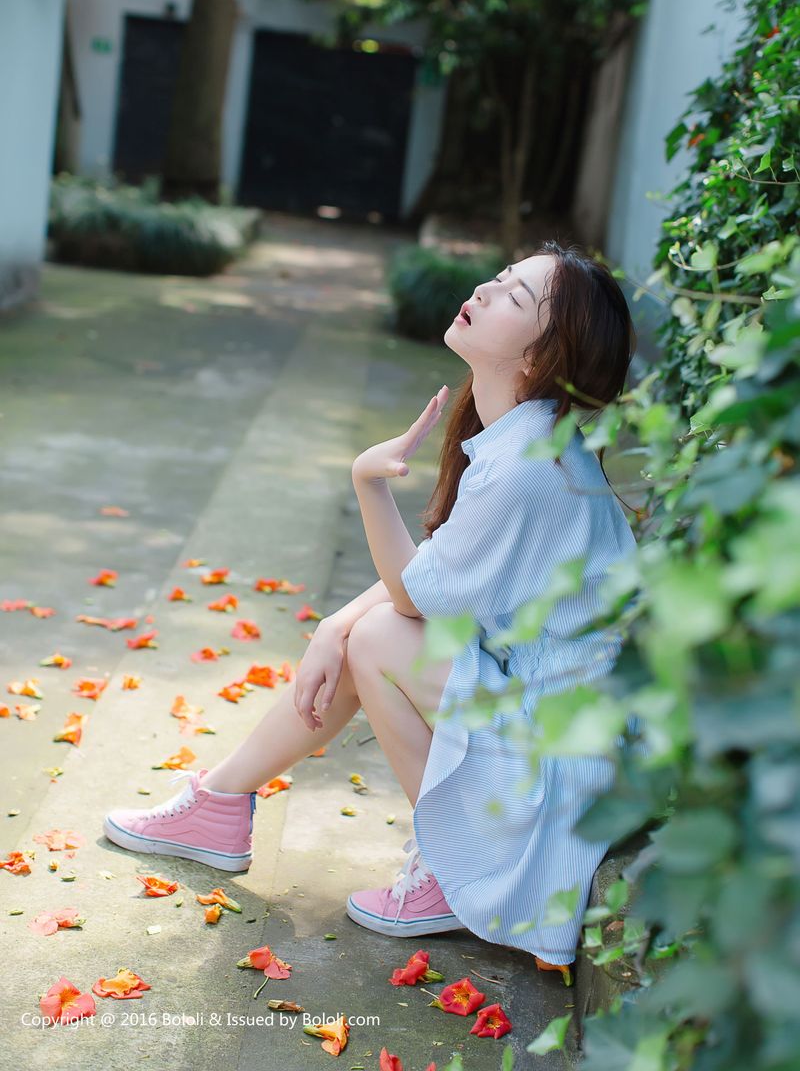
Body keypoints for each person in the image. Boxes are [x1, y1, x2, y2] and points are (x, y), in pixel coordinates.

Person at [103, 238, 640, 978]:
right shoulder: (527, 443)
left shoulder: (527, 468)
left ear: (542, 359)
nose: (484, 290)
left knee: (382, 639)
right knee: (368, 634)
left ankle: (448, 870)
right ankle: (220, 802)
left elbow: (412, 597)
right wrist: (333, 624)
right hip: (551, 726)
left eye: (514, 296)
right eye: (500, 278)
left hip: (560, 766)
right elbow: (441, 570)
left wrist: (368, 483)